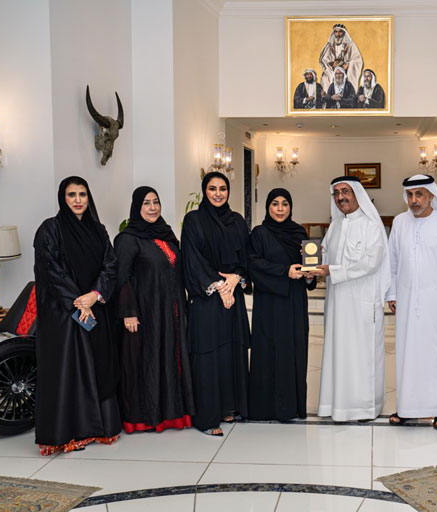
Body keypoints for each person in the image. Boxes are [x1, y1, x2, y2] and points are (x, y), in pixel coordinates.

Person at [33, 176, 120, 455]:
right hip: (63, 315)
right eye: (72, 195)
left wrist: (94, 295)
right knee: (70, 370)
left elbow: (111, 265)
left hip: (96, 308)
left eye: (82, 194)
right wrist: (78, 302)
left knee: (98, 365)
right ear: (63, 198)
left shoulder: (98, 229)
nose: (78, 200)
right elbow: (50, 271)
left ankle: (100, 428)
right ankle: (69, 433)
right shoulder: (50, 229)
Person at [114, 186, 195, 433]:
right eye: (146, 203)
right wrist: (129, 311)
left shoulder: (167, 235)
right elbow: (122, 277)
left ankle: (173, 414)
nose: (153, 208)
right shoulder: (128, 239)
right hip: (145, 312)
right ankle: (144, 417)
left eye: (156, 202)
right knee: (148, 361)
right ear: (137, 207)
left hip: (171, 311)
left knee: (170, 358)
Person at [386, 174, 437, 430]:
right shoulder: (400, 222)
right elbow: (392, 262)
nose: (414, 200)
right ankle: (407, 408)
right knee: (408, 355)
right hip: (408, 301)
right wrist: (392, 293)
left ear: (431, 195)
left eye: (419, 194)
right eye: (410, 195)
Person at [310, 176, 390, 421]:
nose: (341, 197)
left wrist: (333, 271)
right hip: (337, 304)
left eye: (345, 191)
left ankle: (364, 408)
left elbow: (371, 262)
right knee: (338, 354)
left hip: (362, 304)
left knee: (362, 357)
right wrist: (311, 265)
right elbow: (322, 256)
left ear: (357, 194)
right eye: (336, 193)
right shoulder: (334, 226)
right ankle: (337, 406)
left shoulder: (371, 226)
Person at [181, 172, 251, 436]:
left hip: (233, 296)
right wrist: (219, 286)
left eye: (223, 188)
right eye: (212, 188)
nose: (218, 193)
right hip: (207, 299)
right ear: (204, 191)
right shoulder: (194, 220)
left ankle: (228, 407)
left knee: (231, 351)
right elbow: (192, 259)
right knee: (208, 355)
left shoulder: (237, 221)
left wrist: (235, 278)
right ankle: (208, 417)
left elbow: (246, 257)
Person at [247, 189, 317, 421]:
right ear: (268, 206)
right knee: (269, 350)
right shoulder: (259, 233)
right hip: (269, 303)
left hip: (294, 302)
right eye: (275, 204)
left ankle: (291, 407)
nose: (280, 209)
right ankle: (265, 407)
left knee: (293, 350)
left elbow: (308, 270)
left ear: (290, 207)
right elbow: (254, 264)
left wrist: (309, 275)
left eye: (284, 204)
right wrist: (284, 271)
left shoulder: (299, 233)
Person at [318, 23, 363, 93]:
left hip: (346, 70)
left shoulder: (350, 45)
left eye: (340, 32)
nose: (338, 34)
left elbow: (357, 59)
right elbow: (323, 59)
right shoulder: (329, 45)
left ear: (344, 33)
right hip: (332, 70)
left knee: (348, 80)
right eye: (336, 32)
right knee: (326, 79)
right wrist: (332, 63)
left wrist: (348, 64)